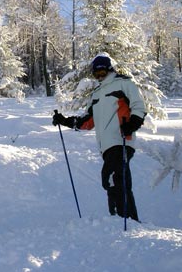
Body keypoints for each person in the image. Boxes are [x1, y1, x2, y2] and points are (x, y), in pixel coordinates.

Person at [53, 54, 146, 221]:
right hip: (106, 146)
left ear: (109, 69)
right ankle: (118, 219)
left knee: (114, 177)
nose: (100, 75)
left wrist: (132, 124)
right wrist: (64, 120)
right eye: (96, 73)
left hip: (121, 138)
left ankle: (127, 219)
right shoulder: (96, 94)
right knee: (110, 179)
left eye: (102, 71)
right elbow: (87, 121)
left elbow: (138, 105)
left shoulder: (123, 83)